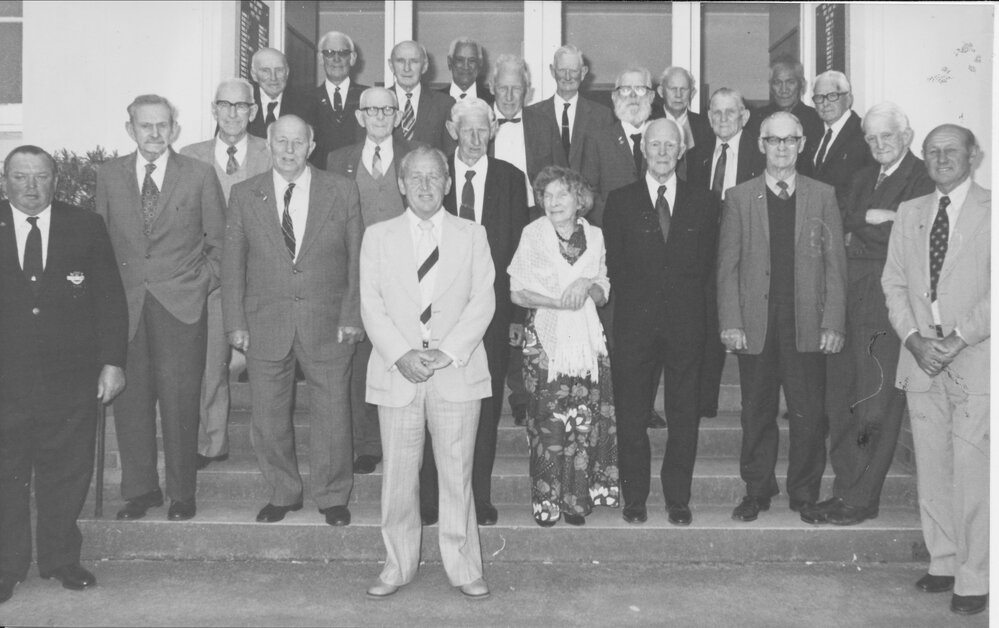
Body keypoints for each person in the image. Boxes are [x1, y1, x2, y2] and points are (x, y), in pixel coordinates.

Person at [361, 145, 494, 600]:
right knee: (398, 477)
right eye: (414, 177)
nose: (424, 186)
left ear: (448, 182)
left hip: (456, 372)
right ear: (400, 183)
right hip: (397, 373)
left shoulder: (472, 234)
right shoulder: (377, 236)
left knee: (457, 476)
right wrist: (401, 354)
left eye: (434, 177)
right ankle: (397, 565)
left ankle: (463, 567)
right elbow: (371, 305)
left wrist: (447, 353)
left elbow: (483, 302)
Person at [0, 146, 127, 604]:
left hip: (69, 378)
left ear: (56, 179)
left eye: (40, 176)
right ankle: (6, 565)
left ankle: (60, 559)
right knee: (5, 475)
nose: (30, 187)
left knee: (66, 472)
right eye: (20, 177)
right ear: (5, 179)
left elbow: (110, 298)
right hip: (5, 381)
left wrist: (113, 362)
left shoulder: (84, 225)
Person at [222, 115, 363, 527]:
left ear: (311, 145)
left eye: (297, 142)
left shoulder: (341, 190)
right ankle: (283, 492)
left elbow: (357, 259)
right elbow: (233, 265)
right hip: (265, 321)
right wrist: (235, 322)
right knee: (267, 416)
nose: (288, 149)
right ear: (268, 144)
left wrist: (352, 313)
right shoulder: (245, 194)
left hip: (328, 320)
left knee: (334, 414)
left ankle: (332, 495)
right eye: (281, 141)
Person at [97, 94, 227, 522]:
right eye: (145, 125)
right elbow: (100, 244)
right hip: (126, 305)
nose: (154, 133)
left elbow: (220, 243)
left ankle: (181, 493)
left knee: (180, 400)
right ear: (129, 128)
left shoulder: (199, 174)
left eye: (162, 125)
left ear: (174, 128)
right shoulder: (109, 175)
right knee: (130, 402)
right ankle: (140, 491)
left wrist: (199, 282)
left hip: (182, 305)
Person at [803, 102, 933, 527]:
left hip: (885, 301)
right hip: (847, 296)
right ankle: (845, 491)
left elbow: (911, 236)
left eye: (887, 137)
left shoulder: (923, 178)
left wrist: (874, 223)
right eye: (872, 138)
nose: (879, 145)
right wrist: (874, 220)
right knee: (840, 399)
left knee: (875, 402)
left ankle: (862, 497)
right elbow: (839, 221)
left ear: (906, 136)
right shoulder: (860, 178)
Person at [882, 124, 990, 617]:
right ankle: (943, 561)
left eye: (951, 150)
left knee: (972, 472)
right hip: (921, 358)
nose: (941, 157)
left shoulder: (994, 210)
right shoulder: (909, 212)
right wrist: (914, 338)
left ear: (974, 155)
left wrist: (956, 339)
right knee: (933, 468)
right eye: (932, 151)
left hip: (973, 357)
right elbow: (894, 284)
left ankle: (975, 577)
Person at [717, 111, 846, 523]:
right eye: (774, 140)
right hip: (756, 322)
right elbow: (727, 268)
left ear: (802, 144)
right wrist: (731, 321)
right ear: (761, 145)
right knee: (756, 411)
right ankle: (757, 490)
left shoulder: (822, 195)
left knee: (808, 412)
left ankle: (804, 492)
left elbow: (835, 266)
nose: (782, 148)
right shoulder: (739, 197)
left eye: (790, 140)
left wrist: (833, 322)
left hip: (806, 321)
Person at [604, 119, 719, 526]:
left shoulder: (705, 202)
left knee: (683, 415)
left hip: (687, 325)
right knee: (632, 415)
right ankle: (634, 498)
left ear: (682, 149)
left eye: (671, 145)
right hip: (636, 325)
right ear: (643, 149)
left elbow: (708, 267)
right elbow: (614, 266)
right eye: (655, 144)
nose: (663, 152)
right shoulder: (620, 202)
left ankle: (677, 499)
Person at [419, 97, 528, 527]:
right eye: (468, 130)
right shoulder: (434, 174)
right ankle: (430, 498)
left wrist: (517, 318)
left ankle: (477, 497)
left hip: (492, 314)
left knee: (484, 406)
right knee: (433, 403)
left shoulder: (510, 178)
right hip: (435, 312)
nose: (476, 138)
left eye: (484, 130)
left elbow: (517, 251)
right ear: (452, 130)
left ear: (494, 131)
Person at [508, 165, 618, 527]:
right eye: (546, 195)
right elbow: (518, 291)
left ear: (579, 200)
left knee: (583, 421)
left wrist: (586, 285)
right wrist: (560, 301)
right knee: (547, 423)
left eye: (561, 194)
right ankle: (546, 502)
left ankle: (576, 500)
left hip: (587, 345)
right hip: (546, 342)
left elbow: (603, 290)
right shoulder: (533, 234)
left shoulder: (597, 235)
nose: (552, 202)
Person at [179, 77, 273, 472]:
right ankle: (211, 442)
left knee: (268, 367)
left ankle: (268, 449)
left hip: (262, 276)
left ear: (253, 111)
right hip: (213, 275)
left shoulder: (272, 153)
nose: (233, 113)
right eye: (225, 105)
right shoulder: (189, 155)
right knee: (211, 364)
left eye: (241, 106)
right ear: (214, 109)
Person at [326, 86, 411, 475]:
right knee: (359, 363)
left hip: (405, 274)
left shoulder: (415, 156)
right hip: (354, 273)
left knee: (399, 354)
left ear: (398, 116)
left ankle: (402, 441)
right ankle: (365, 444)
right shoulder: (337, 159)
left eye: (387, 110)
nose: (379, 116)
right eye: (371, 110)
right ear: (359, 116)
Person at [488, 54, 567, 427]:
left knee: (524, 307)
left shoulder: (541, 123)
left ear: (527, 90)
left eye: (515, 88)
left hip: (530, 223)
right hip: (485, 226)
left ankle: (521, 393)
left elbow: (556, 174)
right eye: (502, 88)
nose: (508, 95)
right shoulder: (475, 119)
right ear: (492, 88)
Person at [686, 87, 764, 421]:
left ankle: (755, 404)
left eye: (729, 112)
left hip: (749, 249)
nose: (722, 119)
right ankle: (706, 401)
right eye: (715, 113)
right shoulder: (698, 153)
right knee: (705, 324)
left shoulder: (760, 152)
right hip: (708, 251)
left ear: (744, 116)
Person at [525, 45, 612, 186]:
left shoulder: (602, 116)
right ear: (552, 71)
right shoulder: (532, 115)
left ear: (583, 73)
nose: (567, 76)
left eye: (573, 70)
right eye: (562, 70)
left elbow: (607, 170)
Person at [590, 66, 656, 227]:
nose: (633, 95)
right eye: (626, 89)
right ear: (614, 96)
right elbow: (589, 193)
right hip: (613, 233)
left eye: (640, 89)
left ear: (651, 96)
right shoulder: (598, 140)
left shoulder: (663, 138)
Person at [799, 70, 873, 209]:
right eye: (819, 97)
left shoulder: (864, 134)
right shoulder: (810, 133)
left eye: (832, 96)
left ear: (849, 99)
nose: (825, 103)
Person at [306, 31, 368, 169]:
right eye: (329, 53)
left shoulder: (367, 97)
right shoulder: (306, 99)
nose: (336, 59)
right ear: (321, 58)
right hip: (319, 179)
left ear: (352, 58)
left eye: (343, 53)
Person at [744, 55, 823, 155]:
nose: (784, 90)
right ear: (770, 87)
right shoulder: (756, 120)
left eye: (790, 82)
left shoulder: (816, 120)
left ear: (801, 84)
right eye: (777, 83)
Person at [389, 40, 455, 152]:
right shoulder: (377, 102)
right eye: (400, 61)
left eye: (414, 61)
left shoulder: (444, 104)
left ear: (424, 66)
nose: (407, 68)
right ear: (391, 66)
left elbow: (450, 154)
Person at [650, 66, 713, 180]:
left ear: (692, 93)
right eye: (673, 89)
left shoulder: (706, 126)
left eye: (684, 89)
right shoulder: (649, 124)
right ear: (661, 91)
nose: (678, 95)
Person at [247, 47, 309, 139]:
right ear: (254, 75)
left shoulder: (307, 106)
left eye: (279, 70)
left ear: (287, 72)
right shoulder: (241, 103)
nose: (273, 78)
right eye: (265, 71)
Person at [440, 37, 493, 105]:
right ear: (450, 62)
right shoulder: (434, 101)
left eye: (472, 60)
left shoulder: (492, 100)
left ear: (480, 63)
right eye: (460, 60)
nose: (466, 67)